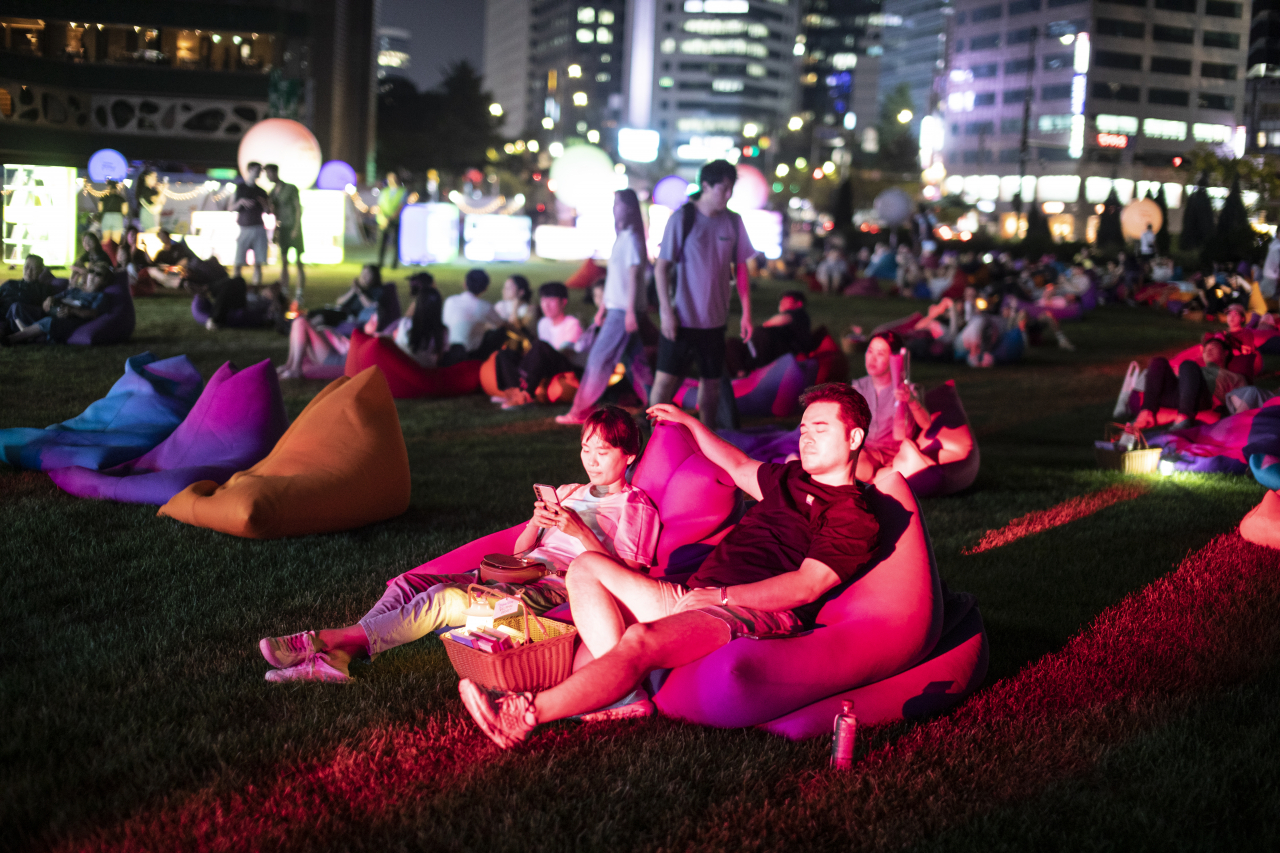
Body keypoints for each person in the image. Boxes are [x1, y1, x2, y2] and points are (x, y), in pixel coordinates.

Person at [458, 384, 880, 745]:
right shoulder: (790, 479)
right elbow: (735, 464)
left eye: (820, 429)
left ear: (855, 436)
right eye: (803, 428)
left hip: (747, 608)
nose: (806, 438)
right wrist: (689, 423)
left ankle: (521, 716)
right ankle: (624, 698)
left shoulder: (851, 515)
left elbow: (807, 585)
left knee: (637, 640)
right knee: (587, 567)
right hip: (694, 592)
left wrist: (722, 595)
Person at [257, 407, 660, 683]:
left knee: (444, 600)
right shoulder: (571, 491)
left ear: (628, 455)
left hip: (548, 596)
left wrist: (579, 534)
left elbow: (629, 577)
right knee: (408, 585)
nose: (590, 459)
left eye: (602, 452)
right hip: (519, 573)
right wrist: (536, 525)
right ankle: (340, 659)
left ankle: (324, 641)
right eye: (586, 449)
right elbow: (520, 552)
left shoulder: (635, 506)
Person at [651, 159, 755, 428]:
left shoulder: (733, 221)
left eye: (731, 189)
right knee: (664, 382)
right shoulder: (682, 219)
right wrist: (666, 312)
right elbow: (661, 268)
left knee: (710, 386)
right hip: (681, 319)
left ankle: (706, 439)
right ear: (706, 186)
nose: (728, 195)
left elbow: (741, 268)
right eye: (724, 189)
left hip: (715, 322)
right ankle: (652, 440)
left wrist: (746, 314)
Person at [557, 190, 655, 425]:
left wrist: (630, 311)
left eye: (617, 205)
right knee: (637, 363)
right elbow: (616, 279)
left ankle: (579, 411)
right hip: (619, 310)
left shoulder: (631, 237)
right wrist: (603, 310)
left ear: (628, 209)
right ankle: (658, 408)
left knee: (599, 361)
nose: (615, 209)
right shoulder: (623, 237)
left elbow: (634, 277)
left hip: (623, 312)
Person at [851, 332, 931, 481]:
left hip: (897, 453)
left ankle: (882, 479)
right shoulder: (859, 387)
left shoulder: (909, 389)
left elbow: (926, 424)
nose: (872, 358)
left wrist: (912, 401)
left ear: (895, 359)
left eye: (880, 354)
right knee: (855, 464)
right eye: (869, 351)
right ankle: (877, 480)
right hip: (867, 452)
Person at [492, 281, 583, 408]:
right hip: (542, 365)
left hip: (564, 368)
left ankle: (526, 395)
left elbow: (565, 352)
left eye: (551, 301)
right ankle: (514, 392)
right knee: (505, 354)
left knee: (540, 345)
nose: (546, 305)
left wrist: (534, 355)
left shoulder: (572, 324)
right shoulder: (543, 323)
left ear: (563, 302)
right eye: (543, 301)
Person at [1132, 333, 1248, 431]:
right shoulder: (1197, 369)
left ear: (1226, 352)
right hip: (1182, 396)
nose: (1208, 350)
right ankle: (1146, 412)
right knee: (1159, 362)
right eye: (1206, 349)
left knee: (1187, 364)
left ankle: (1184, 417)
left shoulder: (1235, 377)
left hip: (1204, 399)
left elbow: (1244, 401)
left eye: (1214, 346)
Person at [5, 262, 110, 345]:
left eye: (99, 274)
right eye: (91, 271)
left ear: (104, 281)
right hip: (50, 310)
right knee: (16, 306)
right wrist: (49, 299)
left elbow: (94, 313)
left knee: (49, 321)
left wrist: (73, 311)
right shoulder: (75, 290)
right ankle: (27, 334)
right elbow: (54, 298)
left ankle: (11, 339)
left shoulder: (100, 296)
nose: (93, 275)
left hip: (66, 317)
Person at [264, 164, 305, 307]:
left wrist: (296, 228)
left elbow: (298, 207)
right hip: (282, 230)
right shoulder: (272, 192)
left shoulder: (290, 188)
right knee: (284, 262)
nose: (268, 176)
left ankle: (300, 293)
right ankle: (285, 291)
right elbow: (272, 212)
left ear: (275, 172)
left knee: (299, 262)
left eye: (269, 173)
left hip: (293, 228)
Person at [390, 272, 448, 368]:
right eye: (434, 283)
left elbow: (398, 348)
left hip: (406, 370)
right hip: (427, 375)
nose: (435, 286)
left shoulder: (406, 323)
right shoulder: (442, 331)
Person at [442, 268, 504, 355]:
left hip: (446, 352)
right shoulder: (484, 306)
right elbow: (501, 324)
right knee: (501, 332)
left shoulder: (450, 301)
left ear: (464, 284)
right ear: (485, 288)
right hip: (469, 354)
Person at [232, 161, 270, 286]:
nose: (259, 172)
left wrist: (264, 204)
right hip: (244, 228)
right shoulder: (240, 188)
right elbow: (231, 208)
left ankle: (256, 288)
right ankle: (236, 287)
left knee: (258, 263)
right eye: (257, 169)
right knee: (238, 262)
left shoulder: (261, 191)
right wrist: (241, 202)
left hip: (259, 227)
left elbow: (268, 211)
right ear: (250, 170)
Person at [376, 172, 407, 269]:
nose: (391, 181)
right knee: (382, 243)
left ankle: (394, 264)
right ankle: (380, 262)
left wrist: (391, 218)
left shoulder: (402, 191)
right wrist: (384, 219)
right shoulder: (385, 191)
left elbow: (400, 206)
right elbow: (380, 206)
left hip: (396, 221)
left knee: (395, 243)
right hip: (384, 220)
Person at [98, 179, 128, 243]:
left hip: (106, 217)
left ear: (108, 187)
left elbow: (100, 209)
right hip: (118, 217)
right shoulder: (121, 198)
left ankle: (105, 251)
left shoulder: (103, 198)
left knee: (105, 239)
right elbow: (125, 211)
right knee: (116, 239)